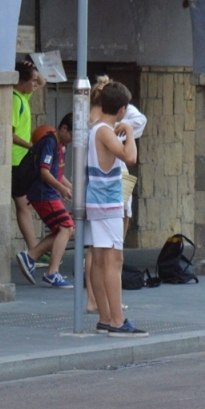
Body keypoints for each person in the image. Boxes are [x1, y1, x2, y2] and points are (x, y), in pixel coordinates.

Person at [87, 81, 146, 337]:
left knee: (100, 261)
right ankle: (117, 321)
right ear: (122, 109)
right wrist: (130, 133)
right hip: (108, 202)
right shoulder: (105, 131)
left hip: (97, 200)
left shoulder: (96, 127)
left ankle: (105, 317)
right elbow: (129, 157)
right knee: (114, 261)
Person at [16, 114, 76, 288]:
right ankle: (52, 273)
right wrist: (61, 188)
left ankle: (31, 256)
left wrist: (70, 187)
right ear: (64, 128)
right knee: (67, 227)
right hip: (43, 193)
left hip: (48, 193)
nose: (73, 140)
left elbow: (57, 173)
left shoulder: (60, 145)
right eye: (72, 135)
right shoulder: (49, 143)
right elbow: (44, 171)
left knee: (66, 230)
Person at [11, 60, 45, 259]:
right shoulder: (15, 99)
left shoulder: (23, 95)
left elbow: (42, 83)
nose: (34, 84)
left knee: (25, 204)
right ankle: (34, 250)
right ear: (21, 81)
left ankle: (35, 249)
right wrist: (30, 146)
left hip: (23, 158)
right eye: (30, 80)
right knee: (22, 204)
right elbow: (10, 133)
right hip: (17, 158)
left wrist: (34, 68)